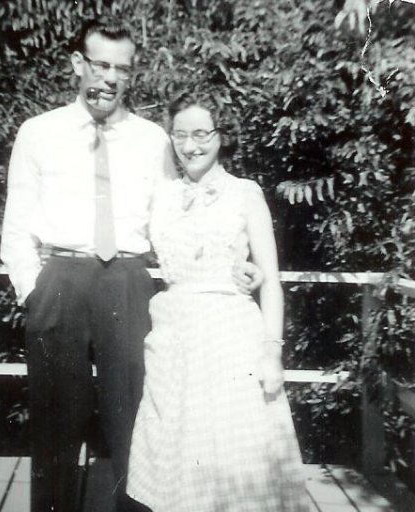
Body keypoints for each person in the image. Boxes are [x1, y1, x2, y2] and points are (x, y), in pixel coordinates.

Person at [1, 18, 261, 512]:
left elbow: (185, 215)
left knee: (135, 422)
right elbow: (16, 226)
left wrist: (234, 265)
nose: (111, 78)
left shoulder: (153, 141)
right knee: (55, 426)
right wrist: (32, 290)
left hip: (128, 280)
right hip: (59, 279)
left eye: (123, 69)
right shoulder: (38, 133)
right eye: (101, 64)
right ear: (78, 64)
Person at [126, 90, 310, 512]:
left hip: (231, 337)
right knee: (179, 460)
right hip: (174, 339)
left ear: (222, 136)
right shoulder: (160, 194)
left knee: (236, 457)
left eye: (202, 134)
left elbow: (271, 282)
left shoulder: (246, 193)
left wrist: (272, 353)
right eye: (180, 135)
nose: (190, 146)